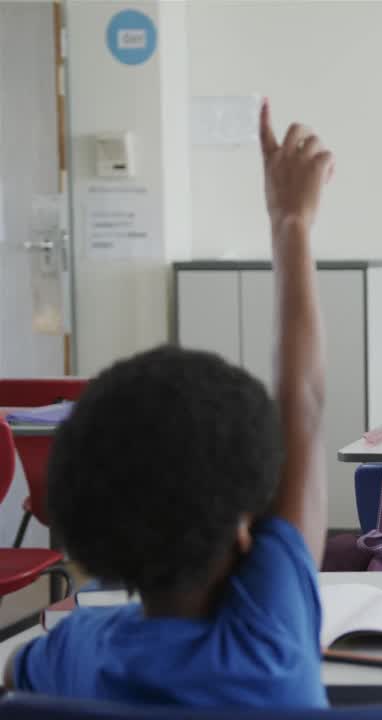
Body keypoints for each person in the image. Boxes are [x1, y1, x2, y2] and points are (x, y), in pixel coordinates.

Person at [5, 101, 333, 706]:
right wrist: (291, 221)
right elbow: (303, 404)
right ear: (243, 532)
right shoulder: (267, 640)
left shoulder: (76, 649)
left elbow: (15, 673)